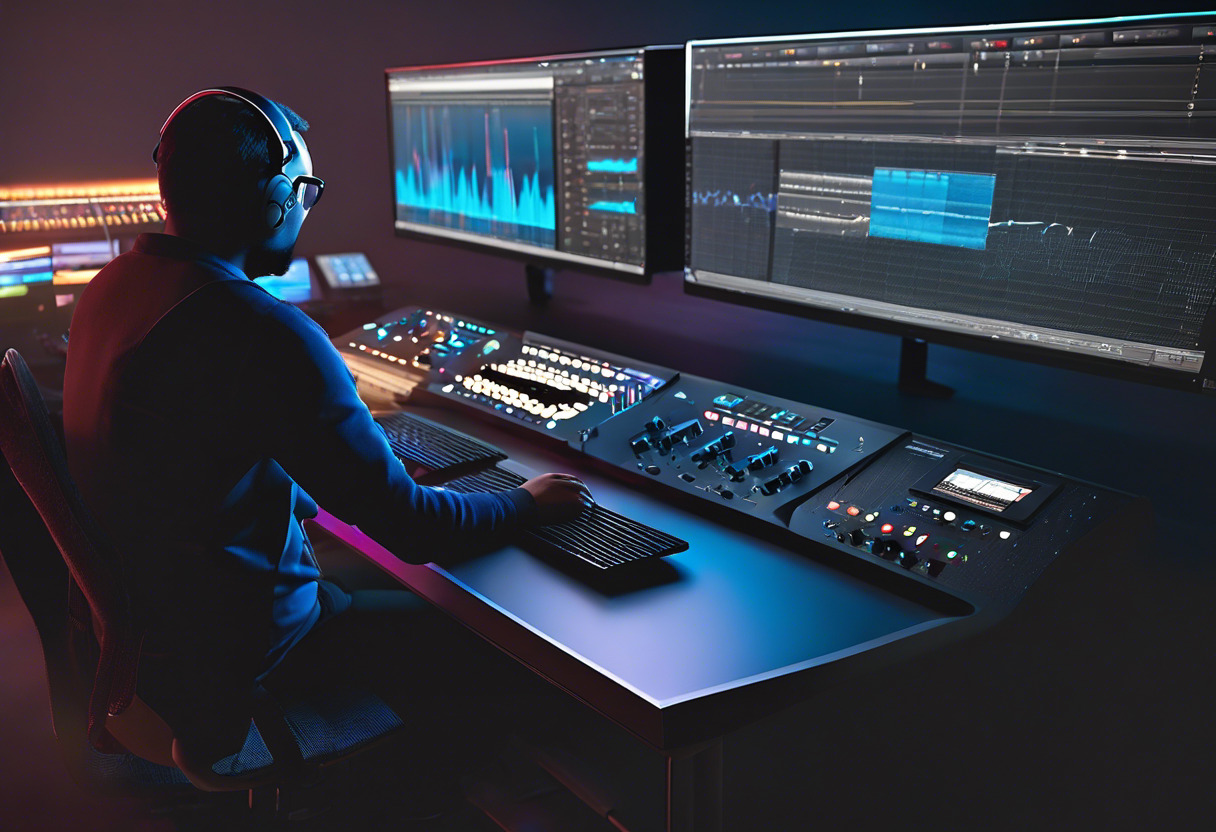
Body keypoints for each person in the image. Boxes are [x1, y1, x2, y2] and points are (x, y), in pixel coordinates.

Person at [61, 87, 592, 767]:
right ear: (276, 198)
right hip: (246, 664)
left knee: (369, 580)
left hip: (163, 652)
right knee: (508, 645)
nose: (304, 211)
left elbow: (189, 448)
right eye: (305, 191)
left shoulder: (111, 288)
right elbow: (412, 527)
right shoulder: (262, 330)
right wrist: (526, 502)